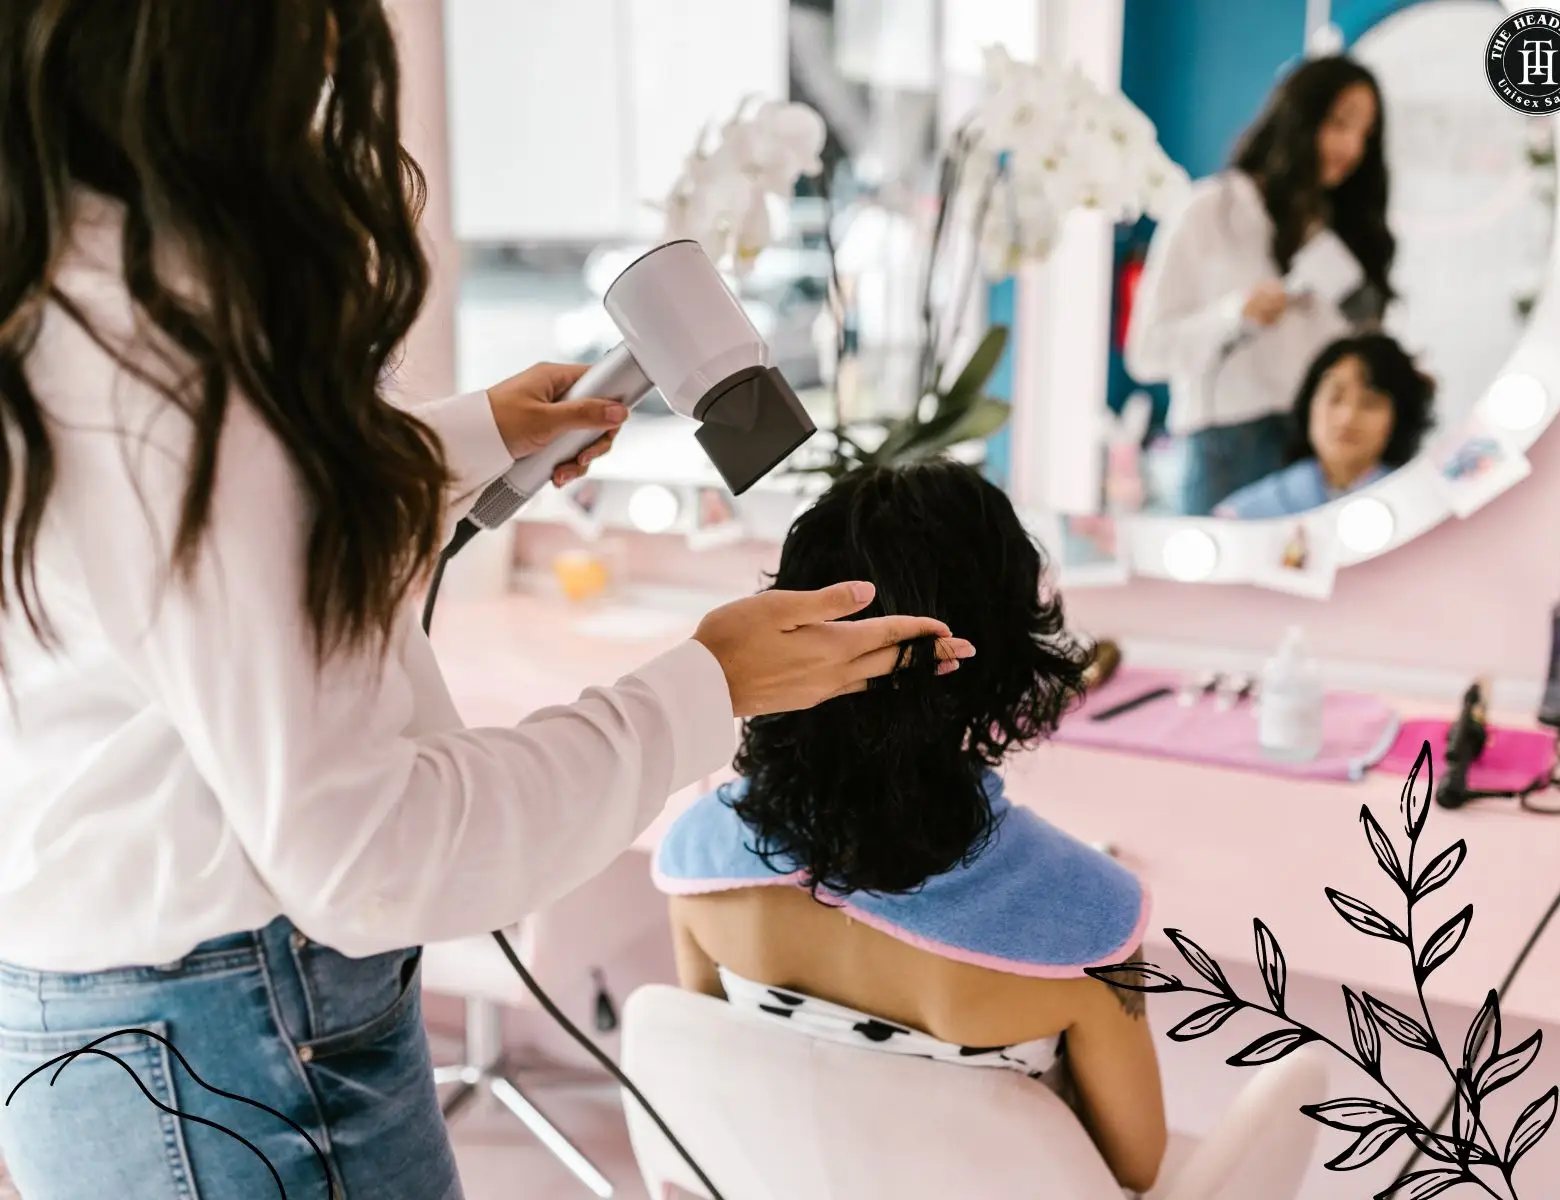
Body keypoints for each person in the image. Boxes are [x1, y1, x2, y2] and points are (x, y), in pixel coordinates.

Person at [0, 4, 974, 1198]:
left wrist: (429, 453)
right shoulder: (190, 360)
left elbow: (156, 584)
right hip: (234, 1055)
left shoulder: (51, 298)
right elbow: (366, 855)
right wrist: (703, 689)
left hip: (77, 1027)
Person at [653, 461, 1167, 1194]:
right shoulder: (1088, 923)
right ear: (1001, 656)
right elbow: (1134, 1166)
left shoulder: (699, 859)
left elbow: (722, 1083)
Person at [1124, 55, 1396, 516]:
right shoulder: (1209, 211)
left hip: (1319, 452)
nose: (1352, 147)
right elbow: (1146, 354)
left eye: (1365, 135)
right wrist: (1234, 316)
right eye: (1339, 124)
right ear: (1299, 117)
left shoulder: (1340, 231)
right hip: (1226, 445)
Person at [1213, 332, 1435, 520]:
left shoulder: (1422, 510)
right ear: (1309, 403)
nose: (1347, 417)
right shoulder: (1244, 516)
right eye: (1335, 397)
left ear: (1399, 417)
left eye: (1370, 403)